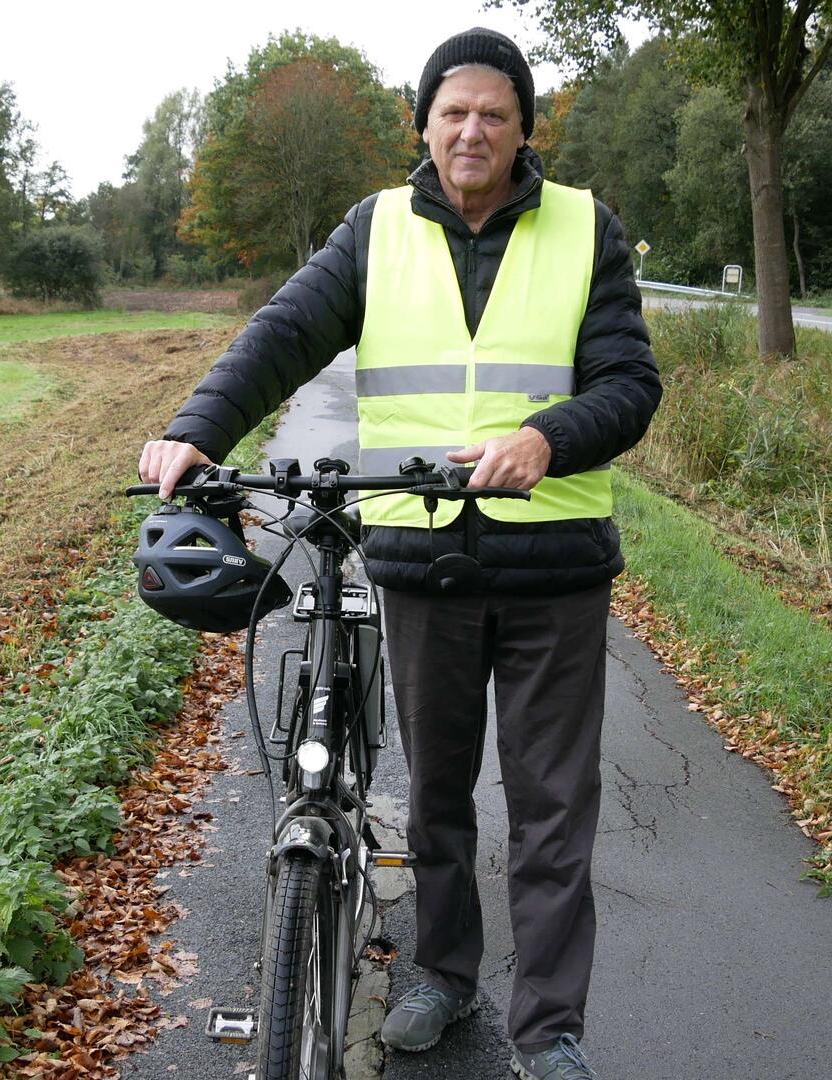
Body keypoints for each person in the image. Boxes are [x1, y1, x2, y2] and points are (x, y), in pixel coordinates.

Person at [137, 26, 660, 1080]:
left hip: (554, 568)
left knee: (554, 811)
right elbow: (285, 331)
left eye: (495, 114)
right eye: (454, 111)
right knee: (436, 802)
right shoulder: (374, 231)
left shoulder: (583, 229)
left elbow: (629, 384)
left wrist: (544, 437)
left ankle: (551, 1030)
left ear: (523, 130)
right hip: (422, 568)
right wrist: (202, 425)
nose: (473, 130)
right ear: (423, 123)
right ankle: (442, 977)